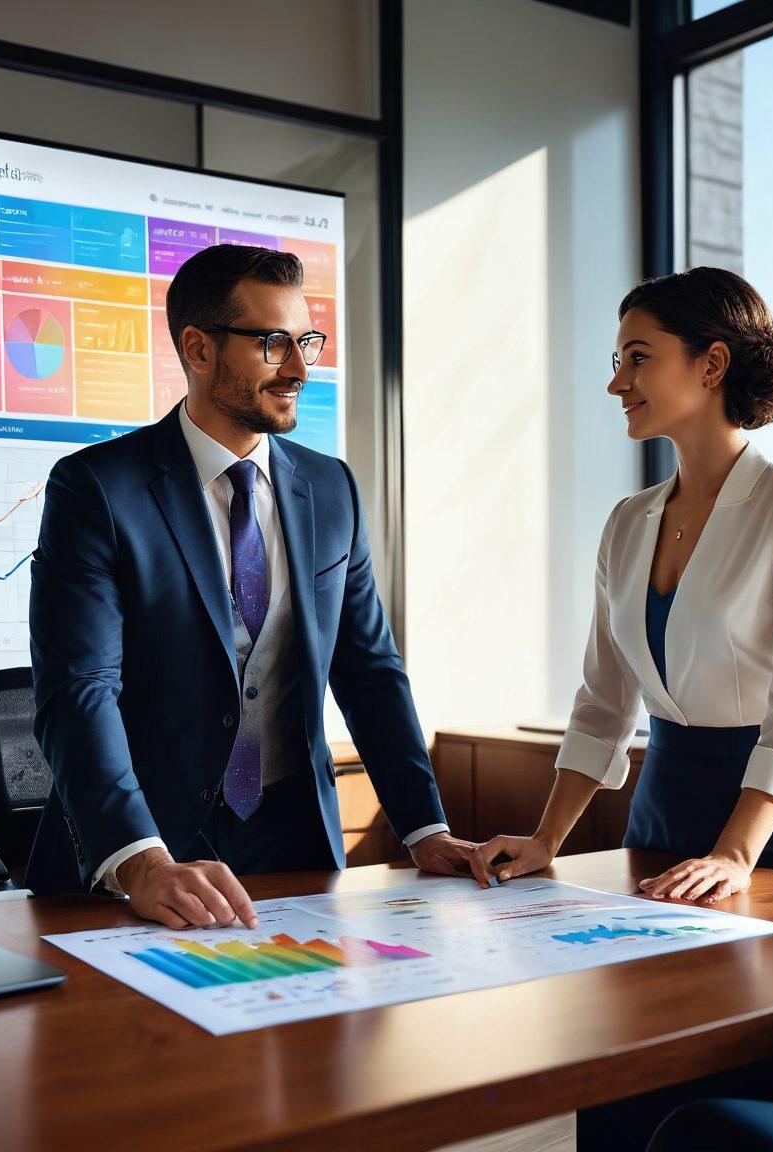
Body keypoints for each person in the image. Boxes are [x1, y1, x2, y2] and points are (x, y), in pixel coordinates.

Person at [467, 266, 773, 1151]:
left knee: (736, 1078)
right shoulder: (628, 521)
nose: (616, 383)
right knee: (624, 1071)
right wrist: (545, 841)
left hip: (772, 837)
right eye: (616, 360)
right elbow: (603, 699)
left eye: (636, 358)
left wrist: (733, 853)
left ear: (712, 364)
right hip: (661, 813)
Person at [25, 243, 474, 928]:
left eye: (306, 342)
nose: (298, 368)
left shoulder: (332, 487)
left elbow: (370, 670)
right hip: (147, 845)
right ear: (199, 349)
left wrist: (425, 830)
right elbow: (81, 687)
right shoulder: (97, 489)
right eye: (272, 343)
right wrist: (142, 858)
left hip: (296, 839)